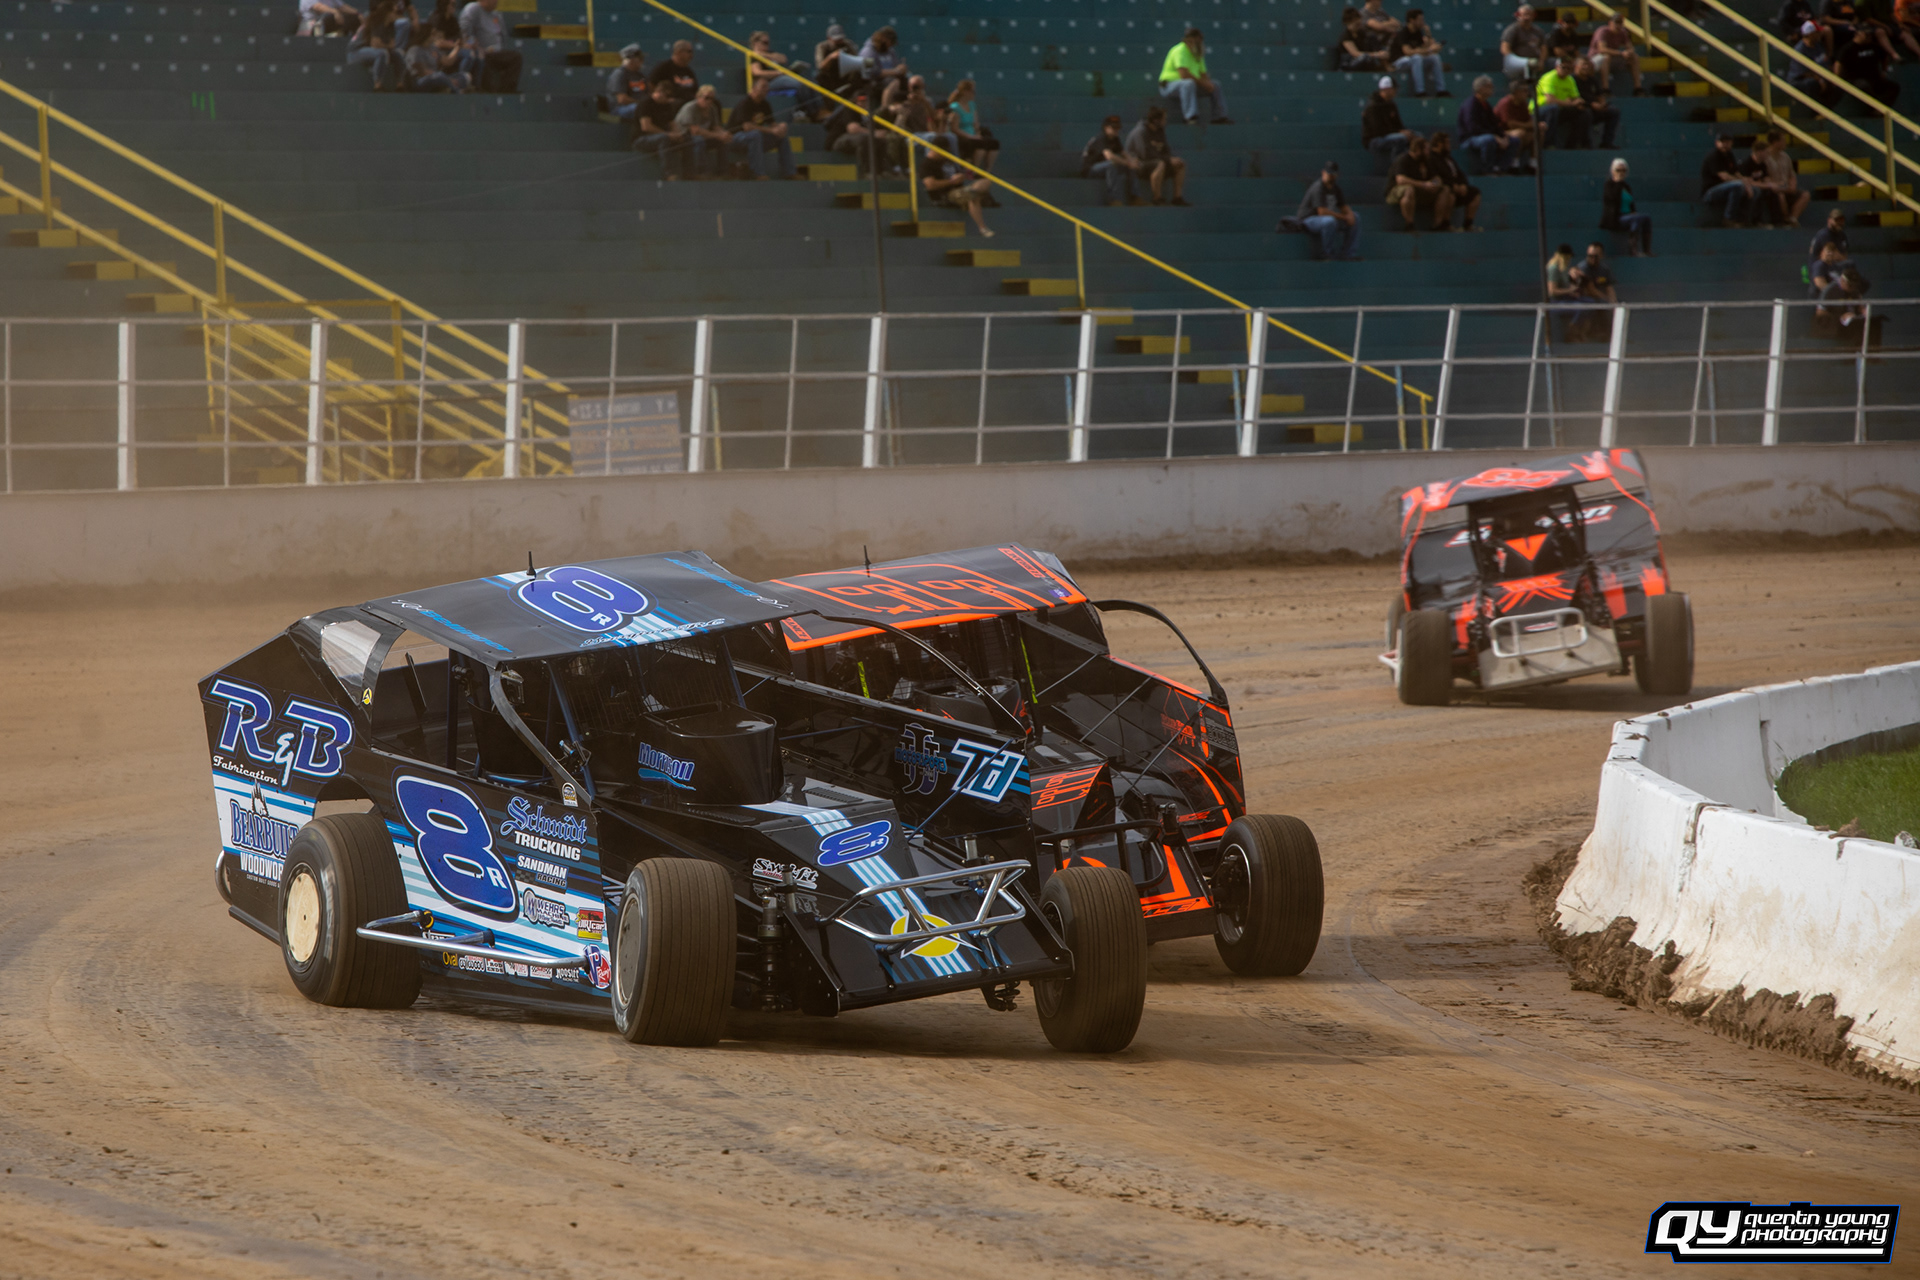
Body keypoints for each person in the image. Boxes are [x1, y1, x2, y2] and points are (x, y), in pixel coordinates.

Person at [1159, 27, 1232, 123]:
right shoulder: (1180, 50)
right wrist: (1203, 83)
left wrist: (1208, 84)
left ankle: (1219, 117)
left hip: (1191, 85)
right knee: (1188, 83)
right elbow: (1184, 75)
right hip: (1169, 86)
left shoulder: (1198, 53)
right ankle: (1190, 116)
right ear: (1189, 40)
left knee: (1215, 85)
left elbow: (1203, 74)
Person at [727, 80, 796, 179]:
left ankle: (790, 172)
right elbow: (747, 127)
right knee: (755, 134)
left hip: (755, 139)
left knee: (781, 137)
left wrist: (780, 127)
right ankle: (758, 173)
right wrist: (771, 130)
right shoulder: (745, 103)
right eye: (763, 87)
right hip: (735, 139)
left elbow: (772, 123)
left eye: (767, 87)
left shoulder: (765, 104)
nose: (766, 89)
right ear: (754, 89)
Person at [748, 30, 822, 121]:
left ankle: (819, 109)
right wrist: (778, 73)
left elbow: (783, 59)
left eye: (768, 43)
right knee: (799, 84)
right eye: (765, 43)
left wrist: (764, 54)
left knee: (809, 82)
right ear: (756, 43)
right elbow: (757, 72)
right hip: (769, 82)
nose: (767, 45)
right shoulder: (753, 56)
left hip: (781, 78)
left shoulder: (769, 53)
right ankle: (812, 112)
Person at [1384, 135, 1453, 231]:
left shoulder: (1426, 161)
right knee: (1409, 190)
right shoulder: (1403, 160)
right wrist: (1423, 185)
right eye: (1426, 150)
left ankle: (1438, 224)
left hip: (1420, 191)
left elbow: (1436, 177)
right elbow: (1401, 180)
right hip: (1397, 191)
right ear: (1418, 149)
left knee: (1445, 189)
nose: (1428, 152)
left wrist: (1434, 184)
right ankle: (1409, 224)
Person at [1297, 160, 1362, 259]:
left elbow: (1343, 206)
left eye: (1333, 174)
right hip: (1309, 219)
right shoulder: (1318, 187)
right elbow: (1322, 212)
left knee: (1356, 217)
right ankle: (1327, 253)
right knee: (1329, 221)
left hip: (1326, 219)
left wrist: (1349, 214)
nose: (1330, 176)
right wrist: (1344, 217)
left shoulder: (1336, 188)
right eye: (1329, 173)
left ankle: (1348, 254)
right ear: (1323, 173)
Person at [1457, 74, 1522, 172]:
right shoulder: (1470, 104)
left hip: (1487, 135)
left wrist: (1503, 136)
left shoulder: (1486, 105)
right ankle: (1487, 169)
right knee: (1489, 140)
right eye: (1489, 87)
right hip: (1469, 138)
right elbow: (1473, 128)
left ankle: (1501, 168)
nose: (1492, 89)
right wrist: (1495, 137)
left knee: (1514, 141)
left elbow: (1494, 124)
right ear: (1480, 88)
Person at [1126, 105, 1190, 204]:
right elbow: (1145, 155)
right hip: (1139, 164)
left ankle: (1177, 198)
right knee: (1160, 164)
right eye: (1164, 119)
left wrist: (1171, 159)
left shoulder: (1160, 131)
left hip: (1155, 161)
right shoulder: (1141, 131)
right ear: (1156, 121)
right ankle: (1157, 198)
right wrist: (1168, 160)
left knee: (1180, 164)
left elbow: (1166, 150)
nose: (1166, 121)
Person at [922, 154, 994, 237]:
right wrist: (951, 181)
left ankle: (971, 192)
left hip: (962, 189)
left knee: (985, 182)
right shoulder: (927, 164)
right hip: (949, 193)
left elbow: (967, 175)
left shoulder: (952, 161)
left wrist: (963, 176)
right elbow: (930, 185)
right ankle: (982, 228)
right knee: (973, 197)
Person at [674, 83, 733, 179]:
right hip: (685, 138)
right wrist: (717, 135)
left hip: (704, 136)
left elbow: (716, 126)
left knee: (724, 141)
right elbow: (695, 131)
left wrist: (724, 134)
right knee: (698, 140)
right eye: (706, 98)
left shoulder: (712, 108)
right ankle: (701, 172)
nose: (709, 101)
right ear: (698, 97)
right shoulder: (690, 108)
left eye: (712, 99)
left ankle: (723, 172)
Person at [458, 0, 519, 93]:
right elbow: (464, 32)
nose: (496, 1)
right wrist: (474, 45)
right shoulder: (473, 9)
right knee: (483, 59)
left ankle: (507, 91)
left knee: (516, 58)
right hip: (482, 51)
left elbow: (503, 36)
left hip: (496, 52)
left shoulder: (496, 15)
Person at [1083, 114, 1144, 205]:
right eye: (1114, 128)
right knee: (1111, 165)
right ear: (1106, 128)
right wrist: (1128, 163)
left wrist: (1133, 162)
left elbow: (1124, 153)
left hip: (1104, 166)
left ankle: (1136, 198)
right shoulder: (1101, 138)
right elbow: (1109, 156)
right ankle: (1114, 199)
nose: (1116, 130)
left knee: (1130, 167)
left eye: (1118, 128)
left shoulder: (1115, 139)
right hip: (1090, 169)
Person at [631, 79, 687, 178]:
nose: (669, 99)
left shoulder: (666, 105)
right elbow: (646, 126)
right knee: (664, 139)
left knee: (687, 139)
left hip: (661, 137)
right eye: (667, 96)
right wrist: (668, 134)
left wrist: (677, 134)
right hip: (642, 139)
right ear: (659, 92)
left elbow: (672, 124)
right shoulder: (646, 103)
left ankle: (690, 172)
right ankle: (668, 173)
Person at [1426, 132, 1481, 230]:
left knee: (1475, 193)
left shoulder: (1448, 158)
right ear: (1439, 144)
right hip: (1445, 189)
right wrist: (1452, 185)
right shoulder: (1431, 158)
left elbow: (1459, 173)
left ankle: (1468, 224)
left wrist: (1463, 184)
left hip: (1457, 187)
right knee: (1449, 193)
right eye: (1447, 143)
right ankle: (1444, 223)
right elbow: (1435, 177)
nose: (1449, 145)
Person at [1835, 23, 1899, 105]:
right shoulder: (1848, 48)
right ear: (1858, 34)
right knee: (1864, 86)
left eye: (1870, 34)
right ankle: (1875, 106)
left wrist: (1884, 71)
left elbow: (1884, 57)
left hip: (1874, 78)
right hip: (1856, 79)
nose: (1869, 36)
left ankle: (1879, 108)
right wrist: (1838, 79)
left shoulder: (1874, 46)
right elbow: (1838, 64)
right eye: (1866, 34)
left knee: (1894, 87)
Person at [1699, 133, 1757, 225]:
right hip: (1711, 191)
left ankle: (1745, 220)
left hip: (1727, 189)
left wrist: (1746, 182)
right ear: (1717, 143)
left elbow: (1736, 172)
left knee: (1755, 190)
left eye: (1727, 142)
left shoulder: (1729, 155)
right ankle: (1728, 219)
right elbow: (1724, 176)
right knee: (1737, 186)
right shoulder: (1713, 156)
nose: (1725, 145)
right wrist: (1742, 183)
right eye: (1722, 142)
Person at [1810, 240, 1869, 330]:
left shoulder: (1854, 290)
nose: (1852, 288)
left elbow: (1861, 307)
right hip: (1834, 324)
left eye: (1832, 251)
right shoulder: (1830, 289)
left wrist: (1863, 313)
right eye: (1850, 285)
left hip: (1852, 323)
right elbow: (1821, 313)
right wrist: (1840, 317)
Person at [1600, 157, 1652, 255]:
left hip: (1628, 216)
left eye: (1623, 170)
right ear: (1613, 171)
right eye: (1618, 170)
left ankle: (1647, 250)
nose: (1621, 173)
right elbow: (1612, 198)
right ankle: (1633, 250)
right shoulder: (1609, 185)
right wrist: (1618, 183)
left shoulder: (1626, 186)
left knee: (1646, 218)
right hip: (1616, 218)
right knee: (1635, 219)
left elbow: (1631, 203)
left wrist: (1633, 211)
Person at [947, 80, 999, 175]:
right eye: (972, 91)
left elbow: (975, 122)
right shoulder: (955, 107)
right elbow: (954, 129)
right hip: (962, 136)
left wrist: (977, 133)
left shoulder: (972, 105)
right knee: (980, 145)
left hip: (973, 134)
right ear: (965, 92)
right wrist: (970, 136)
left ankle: (987, 172)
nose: (974, 94)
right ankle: (973, 171)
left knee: (994, 143)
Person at [1568, 241, 1618, 341]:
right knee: (1599, 304)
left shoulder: (1604, 269)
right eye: (1590, 256)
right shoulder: (1583, 268)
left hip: (1599, 297)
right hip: (1585, 297)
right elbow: (1590, 290)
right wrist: (1607, 299)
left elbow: (1609, 287)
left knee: (1618, 306)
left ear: (1601, 255)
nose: (1592, 258)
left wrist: (1614, 301)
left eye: (1596, 256)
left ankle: (1616, 336)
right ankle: (1594, 335)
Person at [1390, 9, 1447, 96]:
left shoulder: (1418, 33)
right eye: (1420, 20)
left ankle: (1441, 90)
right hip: (1399, 61)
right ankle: (1420, 91)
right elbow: (1407, 52)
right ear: (1412, 20)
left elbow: (1423, 49)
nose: (1422, 22)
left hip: (1412, 61)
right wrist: (1430, 50)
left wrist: (1428, 36)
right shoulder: (1403, 32)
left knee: (1434, 57)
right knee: (1417, 58)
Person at [1534, 56, 1587, 149]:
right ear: (1557, 67)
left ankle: (1573, 145)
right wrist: (1570, 103)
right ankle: (1548, 143)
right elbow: (1550, 101)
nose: (1565, 70)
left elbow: (1576, 99)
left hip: (1560, 109)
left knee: (1584, 113)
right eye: (1563, 67)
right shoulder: (1549, 78)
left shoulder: (1570, 80)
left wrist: (1577, 103)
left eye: (1568, 68)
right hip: (1540, 110)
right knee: (1553, 108)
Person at [1763, 128, 1812, 226]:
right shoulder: (1765, 157)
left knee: (1805, 195)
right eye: (1783, 140)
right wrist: (1779, 186)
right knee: (1780, 196)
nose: (1785, 143)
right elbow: (1765, 178)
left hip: (1787, 187)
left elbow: (1791, 174)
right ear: (1775, 142)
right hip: (1775, 188)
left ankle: (1793, 218)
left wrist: (1792, 185)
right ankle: (1785, 220)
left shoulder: (1785, 157)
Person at [347, 0, 401, 90]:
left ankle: (400, 85)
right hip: (356, 52)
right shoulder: (376, 21)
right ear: (388, 13)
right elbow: (375, 44)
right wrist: (386, 45)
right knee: (382, 53)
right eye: (395, 12)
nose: (397, 15)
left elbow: (392, 45)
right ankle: (378, 85)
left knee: (398, 54)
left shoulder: (391, 25)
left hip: (370, 51)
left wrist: (383, 45)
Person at [1363, 76, 1417, 163]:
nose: (1396, 91)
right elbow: (1378, 131)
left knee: (1416, 137)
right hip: (1374, 140)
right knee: (1401, 139)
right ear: (1386, 89)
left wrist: (1405, 132)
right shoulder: (1373, 106)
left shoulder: (1391, 105)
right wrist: (1399, 132)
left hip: (1390, 135)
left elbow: (1399, 125)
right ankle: (1397, 167)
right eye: (1394, 89)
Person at [1589, 13, 1644, 95]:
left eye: (1620, 23)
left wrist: (1629, 52)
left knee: (1634, 57)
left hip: (1613, 58)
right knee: (1606, 57)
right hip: (1595, 59)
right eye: (1616, 22)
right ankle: (1605, 89)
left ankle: (1638, 88)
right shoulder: (1602, 31)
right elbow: (1602, 49)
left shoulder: (1622, 32)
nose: (1618, 25)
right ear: (1610, 23)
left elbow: (1631, 48)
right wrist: (1621, 53)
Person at [1787, 21, 1839, 104]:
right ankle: (1814, 110)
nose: (1819, 34)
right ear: (1810, 34)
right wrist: (1821, 80)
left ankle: (1826, 109)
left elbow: (1825, 61)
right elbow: (1804, 73)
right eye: (1817, 32)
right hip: (1800, 80)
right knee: (1812, 83)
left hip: (1820, 76)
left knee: (1837, 86)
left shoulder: (1817, 44)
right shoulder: (1800, 50)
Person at [1494, 78, 1541, 170]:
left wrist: (1536, 125)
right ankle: (1514, 163)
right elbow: (1510, 124)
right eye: (1524, 91)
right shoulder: (1505, 103)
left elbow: (1529, 121)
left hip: (1518, 131)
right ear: (1516, 92)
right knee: (1520, 133)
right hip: (1501, 133)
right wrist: (1528, 125)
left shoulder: (1523, 104)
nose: (1527, 93)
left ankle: (1533, 163)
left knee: (1539, 132)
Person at [405, 30, 470, 91]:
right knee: (440, 76)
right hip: (420, 80)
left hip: (437, 77)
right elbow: (422, 72)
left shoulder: (432, 48)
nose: (434, 36)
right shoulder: (415, 50)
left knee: (465, 76)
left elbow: (447, 61)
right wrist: (448, 79)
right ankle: (457, 92)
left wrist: (457, 47)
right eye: (432, 34)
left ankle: (450, 88)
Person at [1501, 5, 1548, 81]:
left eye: (1529, 15)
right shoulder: (1512, 30)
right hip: (1519, 63)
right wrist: (1515, 60)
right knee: (1532, 63)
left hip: (1535, 61)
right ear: (1518, 15)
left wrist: (1542, 61)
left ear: (1533, 16)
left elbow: (1544, 48)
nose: (1527, 17)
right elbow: (1505, 48)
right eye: (1524, 15)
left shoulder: (1538, 31)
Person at [1545, 243, 1582, 340]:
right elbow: (1552, 291)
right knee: (1581, 307)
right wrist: (1569, 290)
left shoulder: (1564, 268)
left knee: (1590, 302)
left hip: (1566, 297)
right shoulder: (1554, 269)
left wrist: (1572, 292)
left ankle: (1583, 332)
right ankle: (1571, 331)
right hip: (1556, 301)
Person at [1338, 7, 1392, 72]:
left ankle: (1385, 65)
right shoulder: (1345, 36)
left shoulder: (1362, 33)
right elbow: (1355, 53)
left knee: (1372, 39)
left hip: (1364, 61)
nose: (1357, 26)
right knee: (1365, 58)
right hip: (1349, 63)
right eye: (1356, 24)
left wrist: (1381, 54)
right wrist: (1377, 55)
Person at [648, 39, 697, 106]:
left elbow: (695, 90)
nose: (691, 55)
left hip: (688, 104)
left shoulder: (688, 71)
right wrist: (662, 99)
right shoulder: (664, 68)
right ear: (679, 52)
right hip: (671, 105)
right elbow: (651, 85)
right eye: (689, 51)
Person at [607, 44, 647, 124]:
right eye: (640, 59)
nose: (642, 61)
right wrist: (641, 103)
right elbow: (622, 99)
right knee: (640, 108)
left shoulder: (640, 76)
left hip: (640, 105)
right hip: (620, 109)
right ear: (632, 60)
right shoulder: (620, 74)